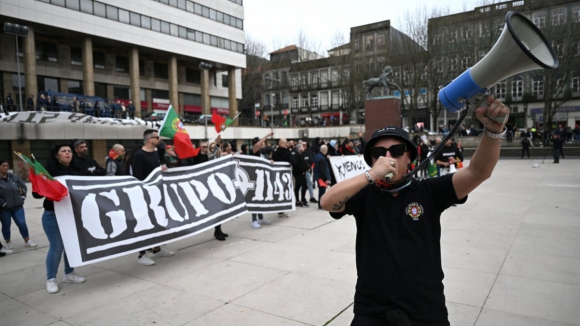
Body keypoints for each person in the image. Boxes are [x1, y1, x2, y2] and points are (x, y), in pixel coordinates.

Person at [320, 98, 509, 325]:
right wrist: (370, 176)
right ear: (372, 160)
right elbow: (327, 202)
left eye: (397, 150)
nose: (388, 158)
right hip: (372, 308)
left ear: (409, 156)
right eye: (380, 153)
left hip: (425, 308)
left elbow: (478, 172)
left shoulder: (428, 191)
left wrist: (493, 131)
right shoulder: (364, 194)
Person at [34, 144, 88, 293]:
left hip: (71, 214)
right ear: (57, 155)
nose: (67, 153)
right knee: (57, 247)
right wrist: (46, 185)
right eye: (63, 151)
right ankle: (51, 279)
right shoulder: (48, 172)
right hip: (53, 215)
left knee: (71, 244)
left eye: (69, 151)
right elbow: (36, 195)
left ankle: (69, 273)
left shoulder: (77, 170)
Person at [129, 129, 175, 265]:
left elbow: (163, 167)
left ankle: (157, 248)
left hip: (158, 193)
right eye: (157, 137)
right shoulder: (139, 156)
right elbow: (137, 177)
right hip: (145, 195)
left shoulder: (157, 154)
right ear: (150, 139)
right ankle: (142, 254)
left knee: (158, 221)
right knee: (145, 224)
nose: (159, 140)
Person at [0, 160, 37, 251]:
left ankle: (27, 241)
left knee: (22, 223)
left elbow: (24, 186)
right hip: (4, 208)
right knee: (6, 225)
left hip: (18, 206)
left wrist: (22, 197)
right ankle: (8, 242)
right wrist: (3, 204)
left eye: (7, 166)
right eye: (3, 165)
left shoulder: (14, 177)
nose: (6, 167)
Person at [201, 136, 229, 240]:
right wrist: (216, 144)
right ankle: (217, 231)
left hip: (219, 184)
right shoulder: (209, 157)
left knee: (221, 209)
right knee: (216, 209)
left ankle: (218, 230)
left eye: (215, 147)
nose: (214, 149)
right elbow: (213, 156)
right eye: (211, 148)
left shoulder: (220, 157)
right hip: (212, 186)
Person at [248, 132, 274, 228]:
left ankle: (260, 217)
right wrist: (267, 136)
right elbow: (258, 145)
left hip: (260, 178)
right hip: (254, 178)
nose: (263, 144)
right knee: (255, 199)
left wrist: (269, 161)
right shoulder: (253, 151)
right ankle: (254, 220)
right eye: (261, 142)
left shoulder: (261, 152)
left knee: (260, 198)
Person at [272, 138, 296, 218]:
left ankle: (279, 210)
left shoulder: (275, 152)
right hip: (285, 176)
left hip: (277, 175)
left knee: (278, 191)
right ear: (285, 144)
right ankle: (283, 208)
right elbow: (294, 163)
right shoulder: (287, 153)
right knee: (285, 191)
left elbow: (273, 161)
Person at [292, 143, 309, 207]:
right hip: (299, 173)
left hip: (301, 172)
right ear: (299, 148)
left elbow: (304, 163)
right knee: (304, 186)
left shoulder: (301, 154)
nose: (303, 148)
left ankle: (298, 200)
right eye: (302, 147)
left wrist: (306, 168)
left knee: (297, 186)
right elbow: (297, 165)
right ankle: (302, 200)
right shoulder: (297, 155)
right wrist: (302, 171)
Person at [314, 145, 331, 209]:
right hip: (322, 178)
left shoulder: (317, 156)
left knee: (321, 191)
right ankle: (321, 205)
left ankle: (320, 204)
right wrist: (326, 178)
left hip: (318, 176)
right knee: (322, 192)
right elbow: (323, 170)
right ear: (325, 150)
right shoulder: (322, 159)